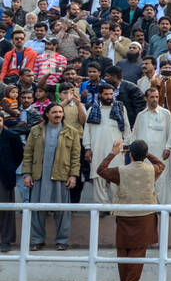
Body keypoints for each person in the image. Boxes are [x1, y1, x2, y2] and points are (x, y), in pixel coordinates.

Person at [95, 139, 166, 281]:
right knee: (138, 249)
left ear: (130, 154)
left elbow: (101, 170)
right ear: (144, 154)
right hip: (145, 214)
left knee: (123, 248)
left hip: (124, 214)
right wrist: (147, 153)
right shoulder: (152, 169)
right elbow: (162, 164)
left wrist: (113, 153)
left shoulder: (121, 170)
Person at [22, 98, 84, 251]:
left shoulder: (72, 131)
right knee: (37, 210)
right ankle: (37, 240)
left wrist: (73, 176)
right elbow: (28, 154)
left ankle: (62, 240)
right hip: (39, 176)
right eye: (54, 112)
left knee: (62, 211)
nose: (58, 115)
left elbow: (76, 157)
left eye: (60, 112)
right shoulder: (35, 131)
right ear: (47, 114)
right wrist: (27, 174)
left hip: (61, 175)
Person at [83, 81, 128, 204]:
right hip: (97, 149)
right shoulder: (92, 109)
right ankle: (101, 208)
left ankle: (116, 207)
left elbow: (127, 129)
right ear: (100, 95)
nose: (109, 97)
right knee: (98, 178)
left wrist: (126, 147)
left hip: (116, 151)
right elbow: (87, 131)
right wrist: (87, 148)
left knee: (116, 178)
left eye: (111, 94)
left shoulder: (120, 108)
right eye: (106, 94)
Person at [129, 85, 171, 205]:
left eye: (156, 97)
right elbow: (135, 134)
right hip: (144, 156)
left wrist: (168, 147)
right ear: (146, 98)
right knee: (146, 180)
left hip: (162, 153)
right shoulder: (141, 115)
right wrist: (133, 152)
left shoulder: (165, 113)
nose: (154, 99)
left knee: (162, 181)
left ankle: (166, 208)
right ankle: (148, 207)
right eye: (152, 97)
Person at [0, 114, 23, 252]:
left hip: (4, 178)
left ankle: (6, 240)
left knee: (5, 210)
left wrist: (9, 168)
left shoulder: (11, 136)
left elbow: (18, 156)